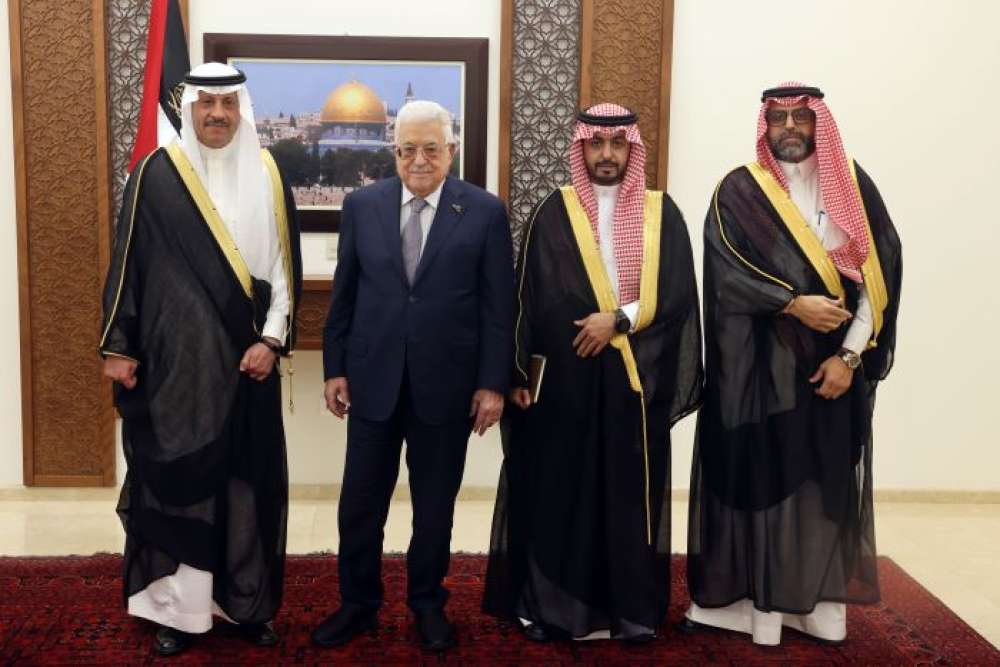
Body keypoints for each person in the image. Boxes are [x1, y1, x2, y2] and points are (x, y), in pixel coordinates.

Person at [682, 82, 902, 646]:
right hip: (760, 377)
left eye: (800, 117)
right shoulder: (739, 190)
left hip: (832, 373)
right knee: (763, 484)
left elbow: (879, 277)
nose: (788, 128)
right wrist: (791, 303)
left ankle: (819, 607)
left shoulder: (853, 184)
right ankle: (757, 610)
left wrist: (849, 357)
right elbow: (726, 274)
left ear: (817, 122)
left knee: (822, 485)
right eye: (778, 118)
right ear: (765, 125)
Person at [99, 62, 302, 656]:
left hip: (247, 364)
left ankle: (244, 604)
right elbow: (128, 262)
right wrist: (119, 344)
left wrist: (271, 341)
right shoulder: (156, 173)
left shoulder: (268, 172)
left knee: (246, 481)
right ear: (189, 109)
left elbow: (283, 270)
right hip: (175, 366)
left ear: (242, 109)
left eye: (227, 103)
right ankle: (178, 611)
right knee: (178, 482)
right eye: (206, 104)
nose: (217, 114)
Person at [482, 103, 703, 643]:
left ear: (632, 149)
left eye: (617, 144)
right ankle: (550, 607)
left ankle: (627, 612)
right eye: (596, 145)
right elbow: (526, 299)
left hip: (633, 383)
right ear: (580, 149)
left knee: (625, 497)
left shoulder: (661, 214)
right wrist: (517, 375)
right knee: (560, 492)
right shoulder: (552, 211)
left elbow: (677, 294)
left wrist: (618, 320)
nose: (607, 155)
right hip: (565, 387)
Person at [313, 100, 515, 652]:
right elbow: (344, 295)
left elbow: (499, 309)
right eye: (408, 150)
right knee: (359, 505)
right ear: (394, 151)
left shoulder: (484, 212)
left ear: (451, 151)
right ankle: (357, 604)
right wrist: (335, 368)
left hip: (446, 388)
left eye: (431, 149)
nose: (419, 160)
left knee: (434, 510)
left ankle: (427, 605)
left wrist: (492, 384)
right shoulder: (362, 205)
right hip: (372, 382)